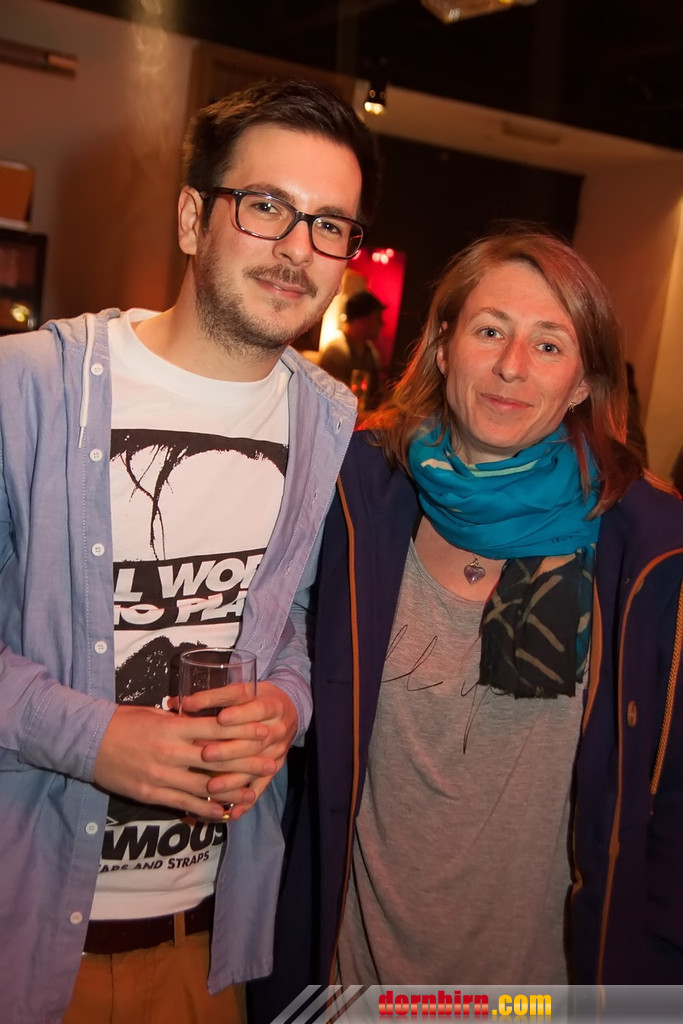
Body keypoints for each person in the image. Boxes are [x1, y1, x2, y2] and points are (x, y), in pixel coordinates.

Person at [0, 77, 379, 1023]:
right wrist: (90, 738)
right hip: (23, 934)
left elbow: (300, 625)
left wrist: (284, 706)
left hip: (205, 951)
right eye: (266, 207)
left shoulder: (332, 428)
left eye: (329, 225)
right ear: (190, 217)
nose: (298, 248)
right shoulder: (26, 389)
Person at [250, 226, 683, 1016]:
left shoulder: (647, 545)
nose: (512, 366)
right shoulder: (357, 493)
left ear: (581, 383)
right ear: (444, 347)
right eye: (489, 331)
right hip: (349, 989)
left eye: (548, 345)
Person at [319, 289, 385, 410]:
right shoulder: (336, 352)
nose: (382, 323)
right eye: (377, 318)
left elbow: (376, 397)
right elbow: (330, 402)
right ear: (360, 319)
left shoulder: (372, 353)